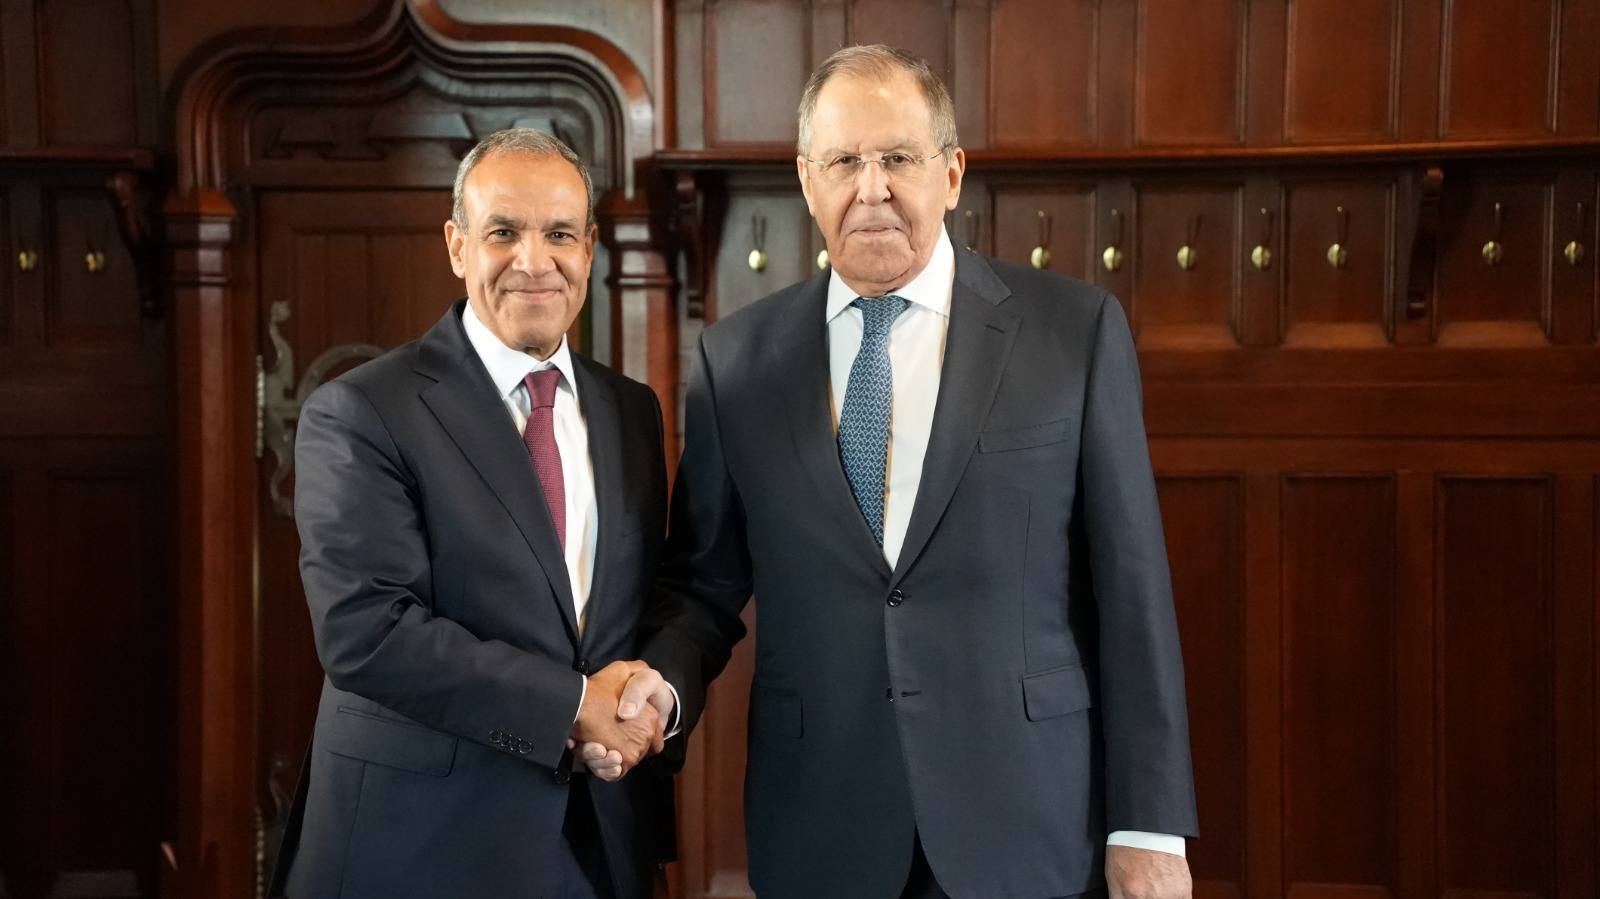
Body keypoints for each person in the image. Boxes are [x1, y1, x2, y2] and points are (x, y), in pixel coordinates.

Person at [595, 45, 1199, 899]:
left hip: (1026, 822)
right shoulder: (738, 361)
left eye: (898, 158)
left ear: (951, 174)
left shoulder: (1074, 333)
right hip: (824, 826)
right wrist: (659, 686)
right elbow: (702, 585)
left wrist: (1147, 826)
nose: (871, 188)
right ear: (807, 182)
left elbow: (1131, 596)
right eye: (844, 160)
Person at [269, 128, 676, 899]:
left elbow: (635, 609)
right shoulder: (361, 411)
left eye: (560, 234)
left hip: (597, 839)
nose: (534, 260)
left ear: (590, 248)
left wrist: (634, 706)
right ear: (457, 246)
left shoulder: (631, 411)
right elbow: (367, 632)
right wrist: (574, 706)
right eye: (503, 232)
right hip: (420, 849)